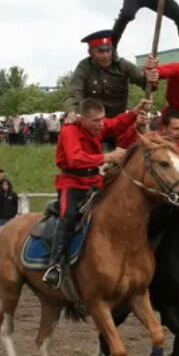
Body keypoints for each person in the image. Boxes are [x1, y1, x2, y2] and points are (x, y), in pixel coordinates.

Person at [44, 97, 145, 286]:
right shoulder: (69, 131)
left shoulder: (98, 126)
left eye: (102, 119)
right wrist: (107, 157)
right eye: (96, 120)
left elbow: (116, 124)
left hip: (95, 180)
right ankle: (55, 264)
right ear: (83, 119)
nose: (101, 124)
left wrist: (135, 111)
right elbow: (75, 159)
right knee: (69, 215)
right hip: (72, 182)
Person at [65, 30, 148, 119]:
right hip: (93, 123)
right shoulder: (84, 67)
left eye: (108, 50)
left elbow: (146, 83)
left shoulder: (123, 65)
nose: (106, 55)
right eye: (100, 51)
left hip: (119, 123)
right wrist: (72, 112)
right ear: (90, 53)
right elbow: (74, 94)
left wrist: (150, 76)